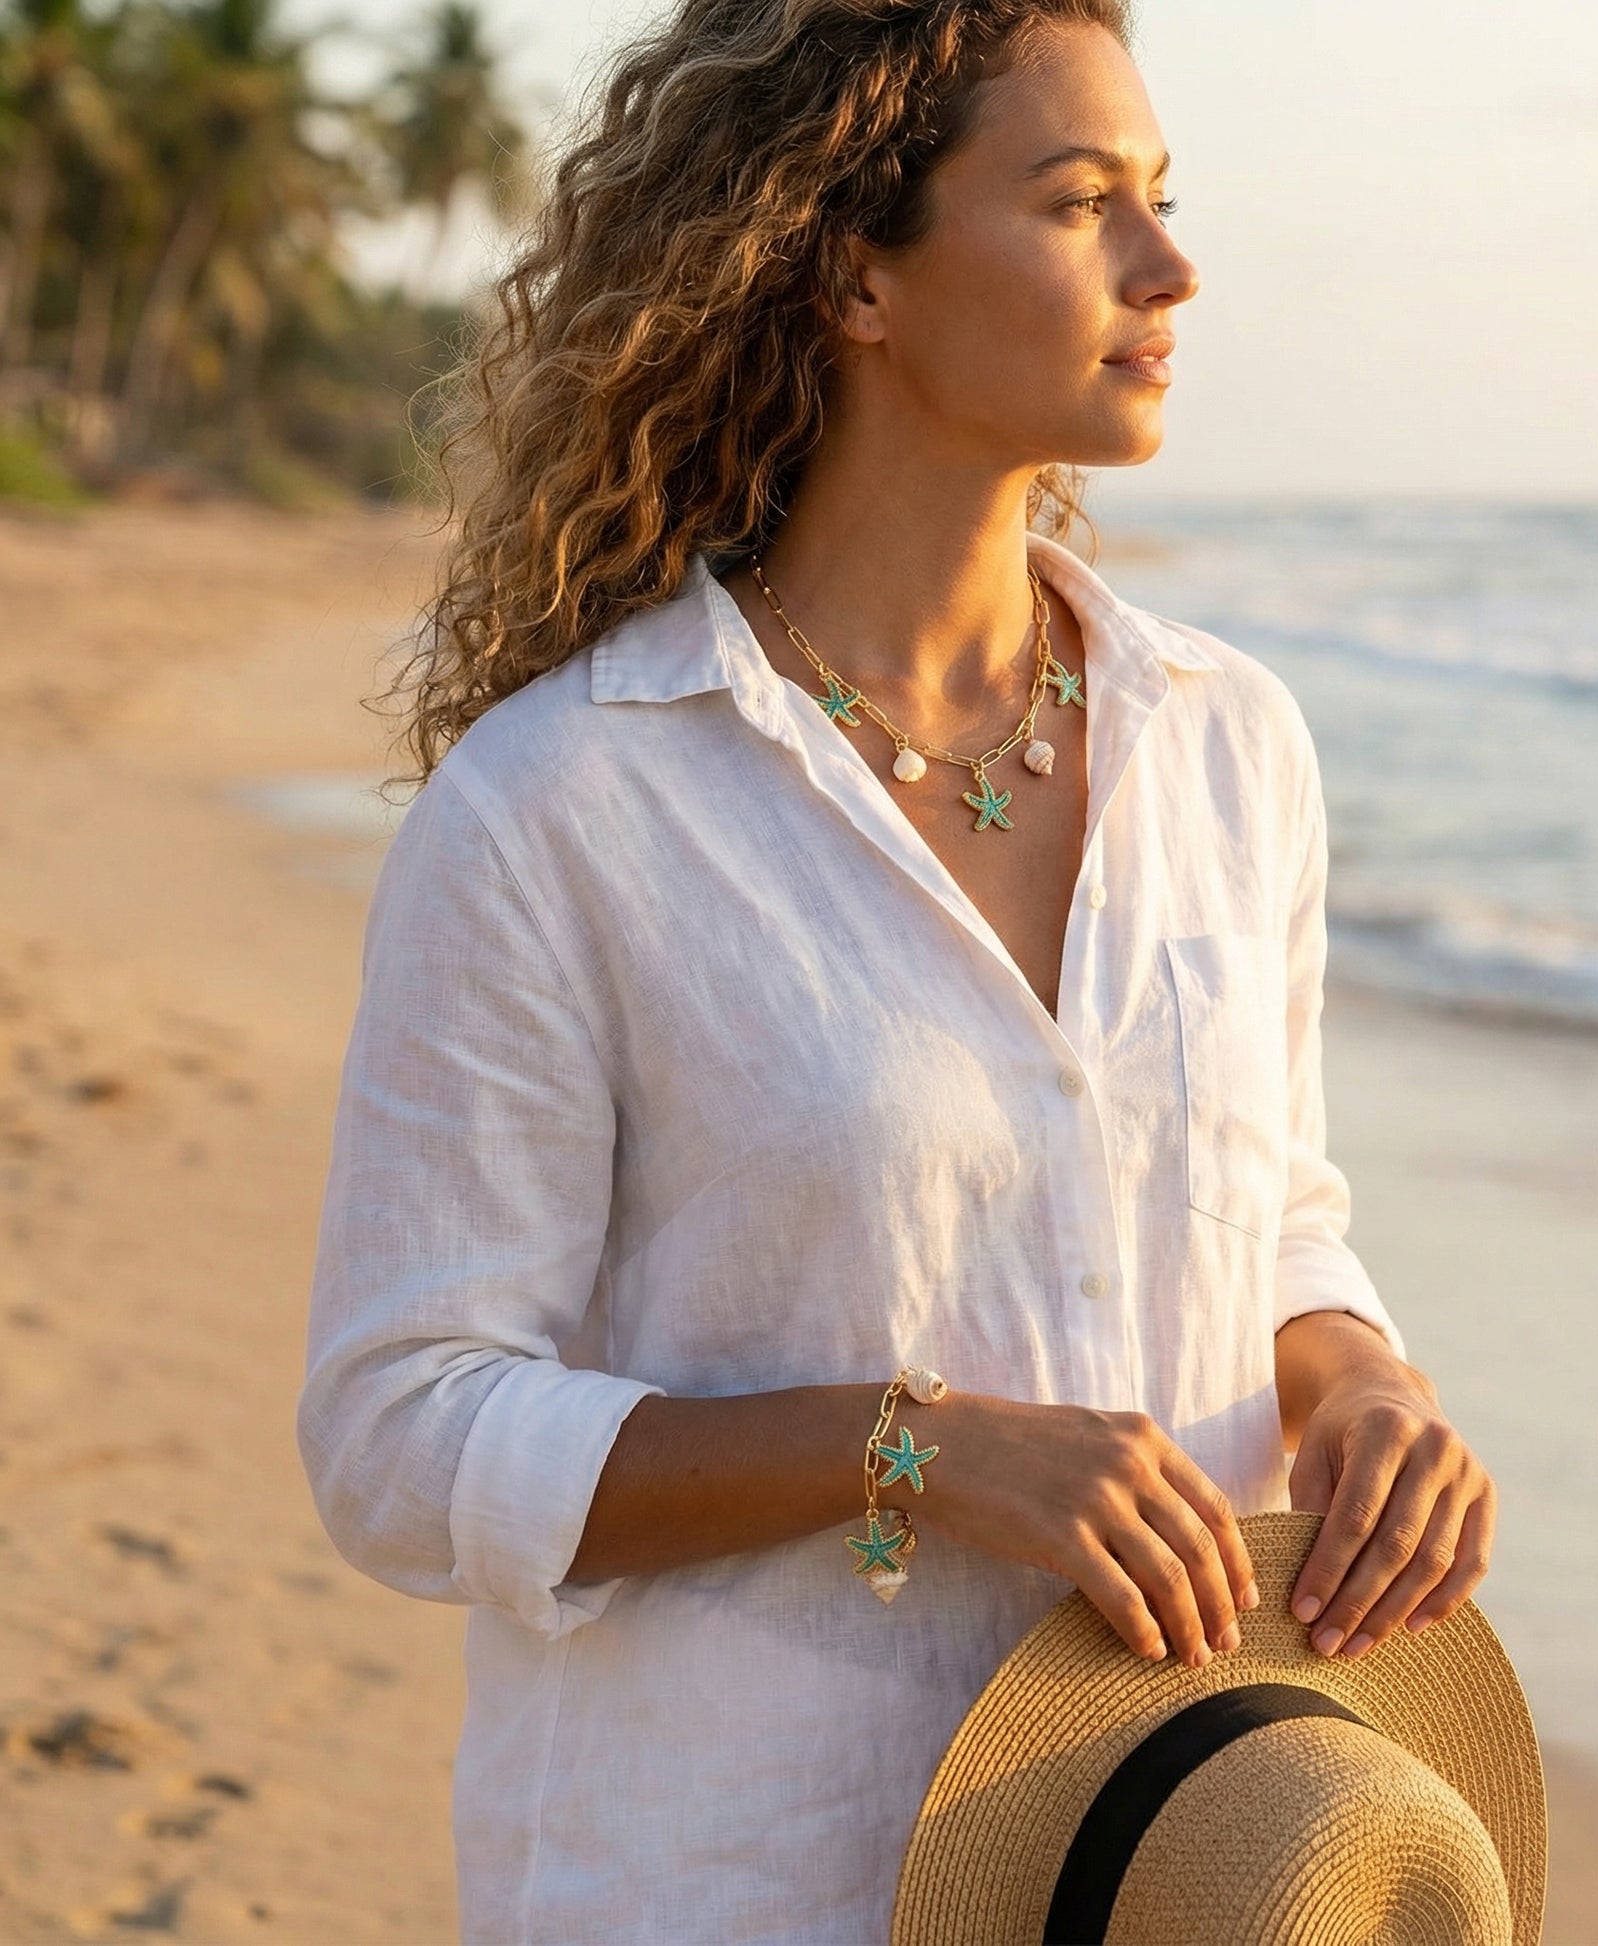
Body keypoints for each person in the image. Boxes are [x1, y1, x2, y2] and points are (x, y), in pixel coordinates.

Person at [297, 2, 1499, 1941]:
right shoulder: (571, 802)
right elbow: (399, 1433)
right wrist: (910, 1452)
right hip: (745, 1865)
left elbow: (1271, 1211)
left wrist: (1356, 1375)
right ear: (852, 266)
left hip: (1168, 1857)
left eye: (1162, 202)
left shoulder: (1226, 741)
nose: (1168, 267)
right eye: (1079, 202)